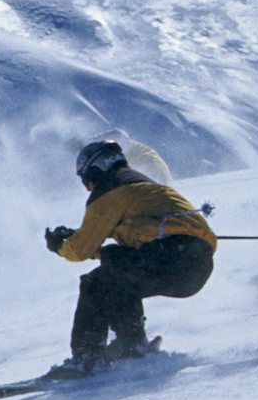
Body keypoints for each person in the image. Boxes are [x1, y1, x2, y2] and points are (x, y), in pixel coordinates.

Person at [44, 140, 216, 377]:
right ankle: (131, 345)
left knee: (97, 283)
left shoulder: (109, 190)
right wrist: (87, 242)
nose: (88, 188)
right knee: (117, 270)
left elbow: (80, 251)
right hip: (194, 265)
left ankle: (89, 357)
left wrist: (60, 245)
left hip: (172, 257)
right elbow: (117, 247)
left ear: (94, 170)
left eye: (85, 180)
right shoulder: (143, 187)